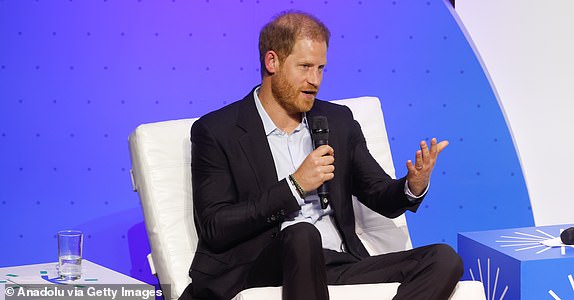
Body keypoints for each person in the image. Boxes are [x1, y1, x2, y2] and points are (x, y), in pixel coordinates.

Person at [180, 10, 463, 300]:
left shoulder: (337, 121)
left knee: (443, 259)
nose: (314, 80)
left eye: (320, 68)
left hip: (336, 263)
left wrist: (412, 186)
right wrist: (295, 186)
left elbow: (380, 195)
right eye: (304, 67)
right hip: (259, 266)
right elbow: (216, 226)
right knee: (303, 234)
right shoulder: (218, 130)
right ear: (272, 61)